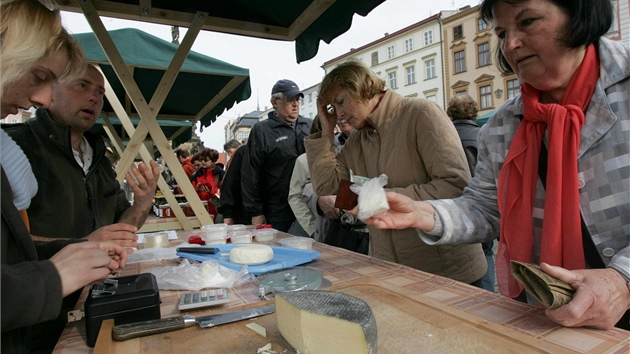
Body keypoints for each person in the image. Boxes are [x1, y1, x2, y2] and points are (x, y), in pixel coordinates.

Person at [362, 0, 629, 330]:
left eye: (528, 22)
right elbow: (486, 209)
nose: (511, 44)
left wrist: (622, 280)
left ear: (580, 14)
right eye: (502, 33)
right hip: (550, 314)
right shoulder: (504, 124)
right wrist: (426, 214)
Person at [0, 1, 127, 352]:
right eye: (39, 78)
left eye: (101, 94)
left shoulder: (100, 156)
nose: (40, 98)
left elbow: (14, 251)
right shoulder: (18, 145)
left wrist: (80, 249)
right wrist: (54, 276)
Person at [306, 60, 486, 285]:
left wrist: (381, 200)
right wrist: (325, 132)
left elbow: (455, 185)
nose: (339, 114)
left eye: (341, 101)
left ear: (360, 87)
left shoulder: (420, 113)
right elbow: (325, 186)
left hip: (445, 270)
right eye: (333, 107)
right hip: (390, 270)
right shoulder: (358, 139)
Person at [5, 64, 160, 247]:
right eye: (82, 85)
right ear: (51, 92)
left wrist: (141, 204)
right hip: (37, 275)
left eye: (100, 92)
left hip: (100, 275)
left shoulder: (99, 158)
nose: (94, 97)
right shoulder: (13, 146)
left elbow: (122, 228)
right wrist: (85, 244)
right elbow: (6, 241)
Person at [241, 79, 312, 231]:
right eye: (289, 100)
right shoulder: (262, 130)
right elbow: (251, 173)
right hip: (278, 211)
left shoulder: (309, 126)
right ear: (275, 102)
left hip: (309, 205)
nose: (295, 104)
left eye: (297, 100)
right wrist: (256, 212)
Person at [446, 95, 497, 292]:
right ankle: (488, 296)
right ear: (474, 113)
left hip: (455, 205)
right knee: (486, 253)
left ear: (451, 113)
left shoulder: (446, 135)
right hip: (482, 205)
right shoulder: (481, 135)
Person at [217, 143, 252, 225]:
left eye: (230, 151)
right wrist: (228, 214)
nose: (230, 154)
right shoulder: (242, 153)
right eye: (228, 152)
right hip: (242, 211)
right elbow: (229, 185)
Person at [190, 148, 224, 220]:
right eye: (202, 160)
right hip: (200, 209)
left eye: (206, 160)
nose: (203, 162)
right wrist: (197, 189)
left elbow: (224, 193)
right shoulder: (196, 175)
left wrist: (211, 190)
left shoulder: (220, 174)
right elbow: (190, 193)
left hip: (216, 209)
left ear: (213, 161)